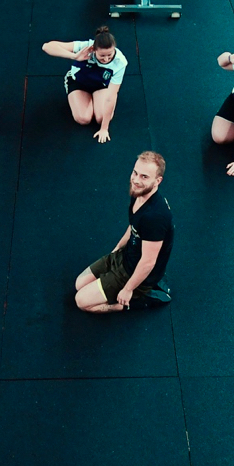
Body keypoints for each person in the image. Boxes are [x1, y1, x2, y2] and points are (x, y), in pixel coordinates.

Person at [74, 151, 174, 312]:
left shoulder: (154, 217)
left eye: (144, 177)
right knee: (79, 283)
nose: (135, 180)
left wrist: (127, 289)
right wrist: (117, 249)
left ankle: (139, 300)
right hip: (126, 256)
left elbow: (148, 262)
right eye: (135, 173)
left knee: (82, 302)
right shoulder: (139, 193)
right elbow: (133, 226)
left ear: (158, 181)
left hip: (136, 272)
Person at [42, 25, 127, 143]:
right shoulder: (85, 47)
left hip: (101, 85)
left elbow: (111, 97)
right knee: (83, 118)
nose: (106, 59)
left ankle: (94, 100)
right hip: (79, 83)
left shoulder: (120, 62)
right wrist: (75, 56)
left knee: (101, 118)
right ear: (94, 49)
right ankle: (84, 98)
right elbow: (47, 47)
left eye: (110, 55)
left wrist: (104, 128)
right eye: (102, 55)